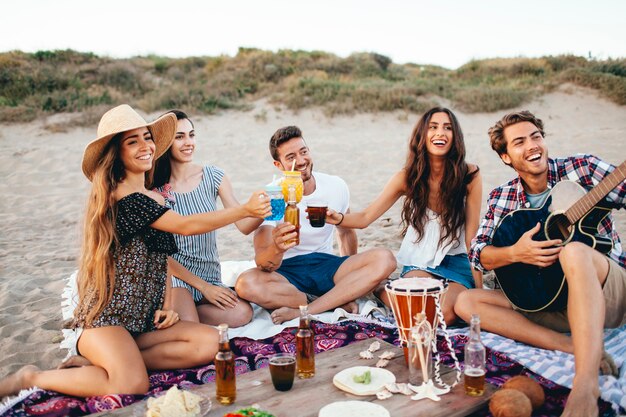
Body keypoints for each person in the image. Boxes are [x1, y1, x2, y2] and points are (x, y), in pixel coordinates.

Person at [0, 104, 270, 399]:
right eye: (133, 141)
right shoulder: (123, 197)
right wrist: (244, 209)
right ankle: (32, 376)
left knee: (212, 344)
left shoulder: (152, 195)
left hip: (142, 322)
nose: (146, 146)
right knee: (130, 385)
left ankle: (104, 362)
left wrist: (168, 305)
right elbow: (185, 226)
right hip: (108, 320)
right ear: (117, 154)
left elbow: (162, 256)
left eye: (147, 137)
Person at [454, 110, 626, 417]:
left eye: (536, 137)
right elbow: (478, 252)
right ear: (506, 156)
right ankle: (575, 347)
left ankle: (586, 383)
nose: (532, 145)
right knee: (466, 302)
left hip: (609, 291)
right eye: (519, 142)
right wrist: (515, 254)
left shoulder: (582, 169)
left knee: (573, 253)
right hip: (554, 300)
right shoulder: (502, 196)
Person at [324, 107, 482, 324]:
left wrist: (480, 288)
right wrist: (338, 218)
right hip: (420, 263)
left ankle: (387, 289)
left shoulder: (470, 175)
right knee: (419, 311)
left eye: (447, 128)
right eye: (433, 127)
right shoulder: (407, 177)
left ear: (455, 136)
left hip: (456, 262)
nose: (440, 133)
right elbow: (366, 217)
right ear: (422, 135)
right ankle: (381, 288)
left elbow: (472, 239)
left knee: (445, 314)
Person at [235, 126, 397, 324]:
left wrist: (352, 279)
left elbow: (346, 234)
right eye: (291, 157)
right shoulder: (273, 196)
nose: (301, 161)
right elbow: (263, 261)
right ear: (278, 165)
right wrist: (277, 247)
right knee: (246, 284)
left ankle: (308, 309)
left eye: (304, 152)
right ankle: (330, 302)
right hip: (286, 273)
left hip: (326, 265)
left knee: (385, 259)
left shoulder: (335, 186)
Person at [153, 110, 262, 328]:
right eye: (179, 137)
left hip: (209, 273)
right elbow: (161, 255)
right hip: (177, 277)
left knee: (242, 314)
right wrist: (204, 288)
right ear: (165, 142)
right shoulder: (156, 192)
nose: (188, 142)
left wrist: (261, 210)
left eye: (191, 135)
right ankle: (182, 311)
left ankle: (186, 312)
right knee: (190, 328)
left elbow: (243, 225)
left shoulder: (213, 176)